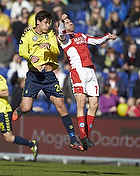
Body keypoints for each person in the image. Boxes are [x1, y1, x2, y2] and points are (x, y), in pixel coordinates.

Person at [12, 10, 84, 151]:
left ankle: (73, 139)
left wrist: (49, 46)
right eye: (45, 22)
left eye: (49, 22)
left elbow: (57, 51)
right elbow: (21, 51)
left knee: (61, 106)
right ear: (38, 22)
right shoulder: (28, 34)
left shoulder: (50, 33)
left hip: (50, 77)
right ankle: (20, 109)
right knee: (27, 107)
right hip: (34, 76)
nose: (48, 24)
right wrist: (31, 56)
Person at [58, 13, 117, 150]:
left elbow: (96, 41)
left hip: (90, 71)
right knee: (81, 103)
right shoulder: (64, 38)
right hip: (78, 71)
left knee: (94, 104)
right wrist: (61, 21)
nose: (70, 23)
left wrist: (107, 36)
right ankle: (83, 136)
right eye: (67, 22)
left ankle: (85, 137)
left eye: (70, 21)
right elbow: (61, 32)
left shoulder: (81, 35)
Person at [0, 74, 38, 160]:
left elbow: (6, 92)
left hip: (3, 111)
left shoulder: (0, 78)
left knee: (9, 138)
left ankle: (31, 144)